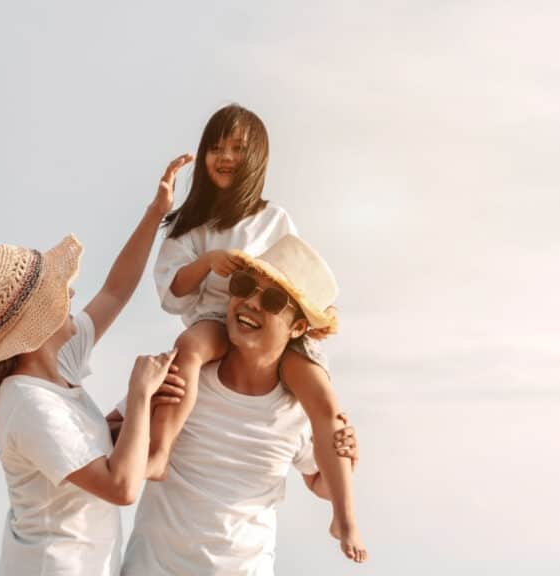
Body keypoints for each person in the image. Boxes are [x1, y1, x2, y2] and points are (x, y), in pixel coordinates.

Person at [140, 103, 365, 560]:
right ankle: (161, 450)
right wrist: (206, 264)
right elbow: (172, 293)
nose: (225, 157)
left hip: (279, 334)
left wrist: (340, 466)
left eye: (238, 149)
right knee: (188, 346)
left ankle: (346, 515)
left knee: (324, 402)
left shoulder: (274, 219)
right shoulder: (190, 227)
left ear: (257, 158)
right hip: (214, 319)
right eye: (216, 148)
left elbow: (297, 276)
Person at [0, 156, 194, 575]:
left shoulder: (59, 363)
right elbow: (121, 487)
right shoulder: (27, 403)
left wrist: (156, 212)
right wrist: (139, 395)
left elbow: (116, 289)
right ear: (41, 317)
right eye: (60, 290)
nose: (71, 292)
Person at [115, 234, 365, 575]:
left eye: (274, 300)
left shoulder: (296, 413)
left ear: (298, 328)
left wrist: (349, 462)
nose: (251, 303)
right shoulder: (184, 378)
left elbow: (319, 483)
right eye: (245, 285)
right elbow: (108, 434)